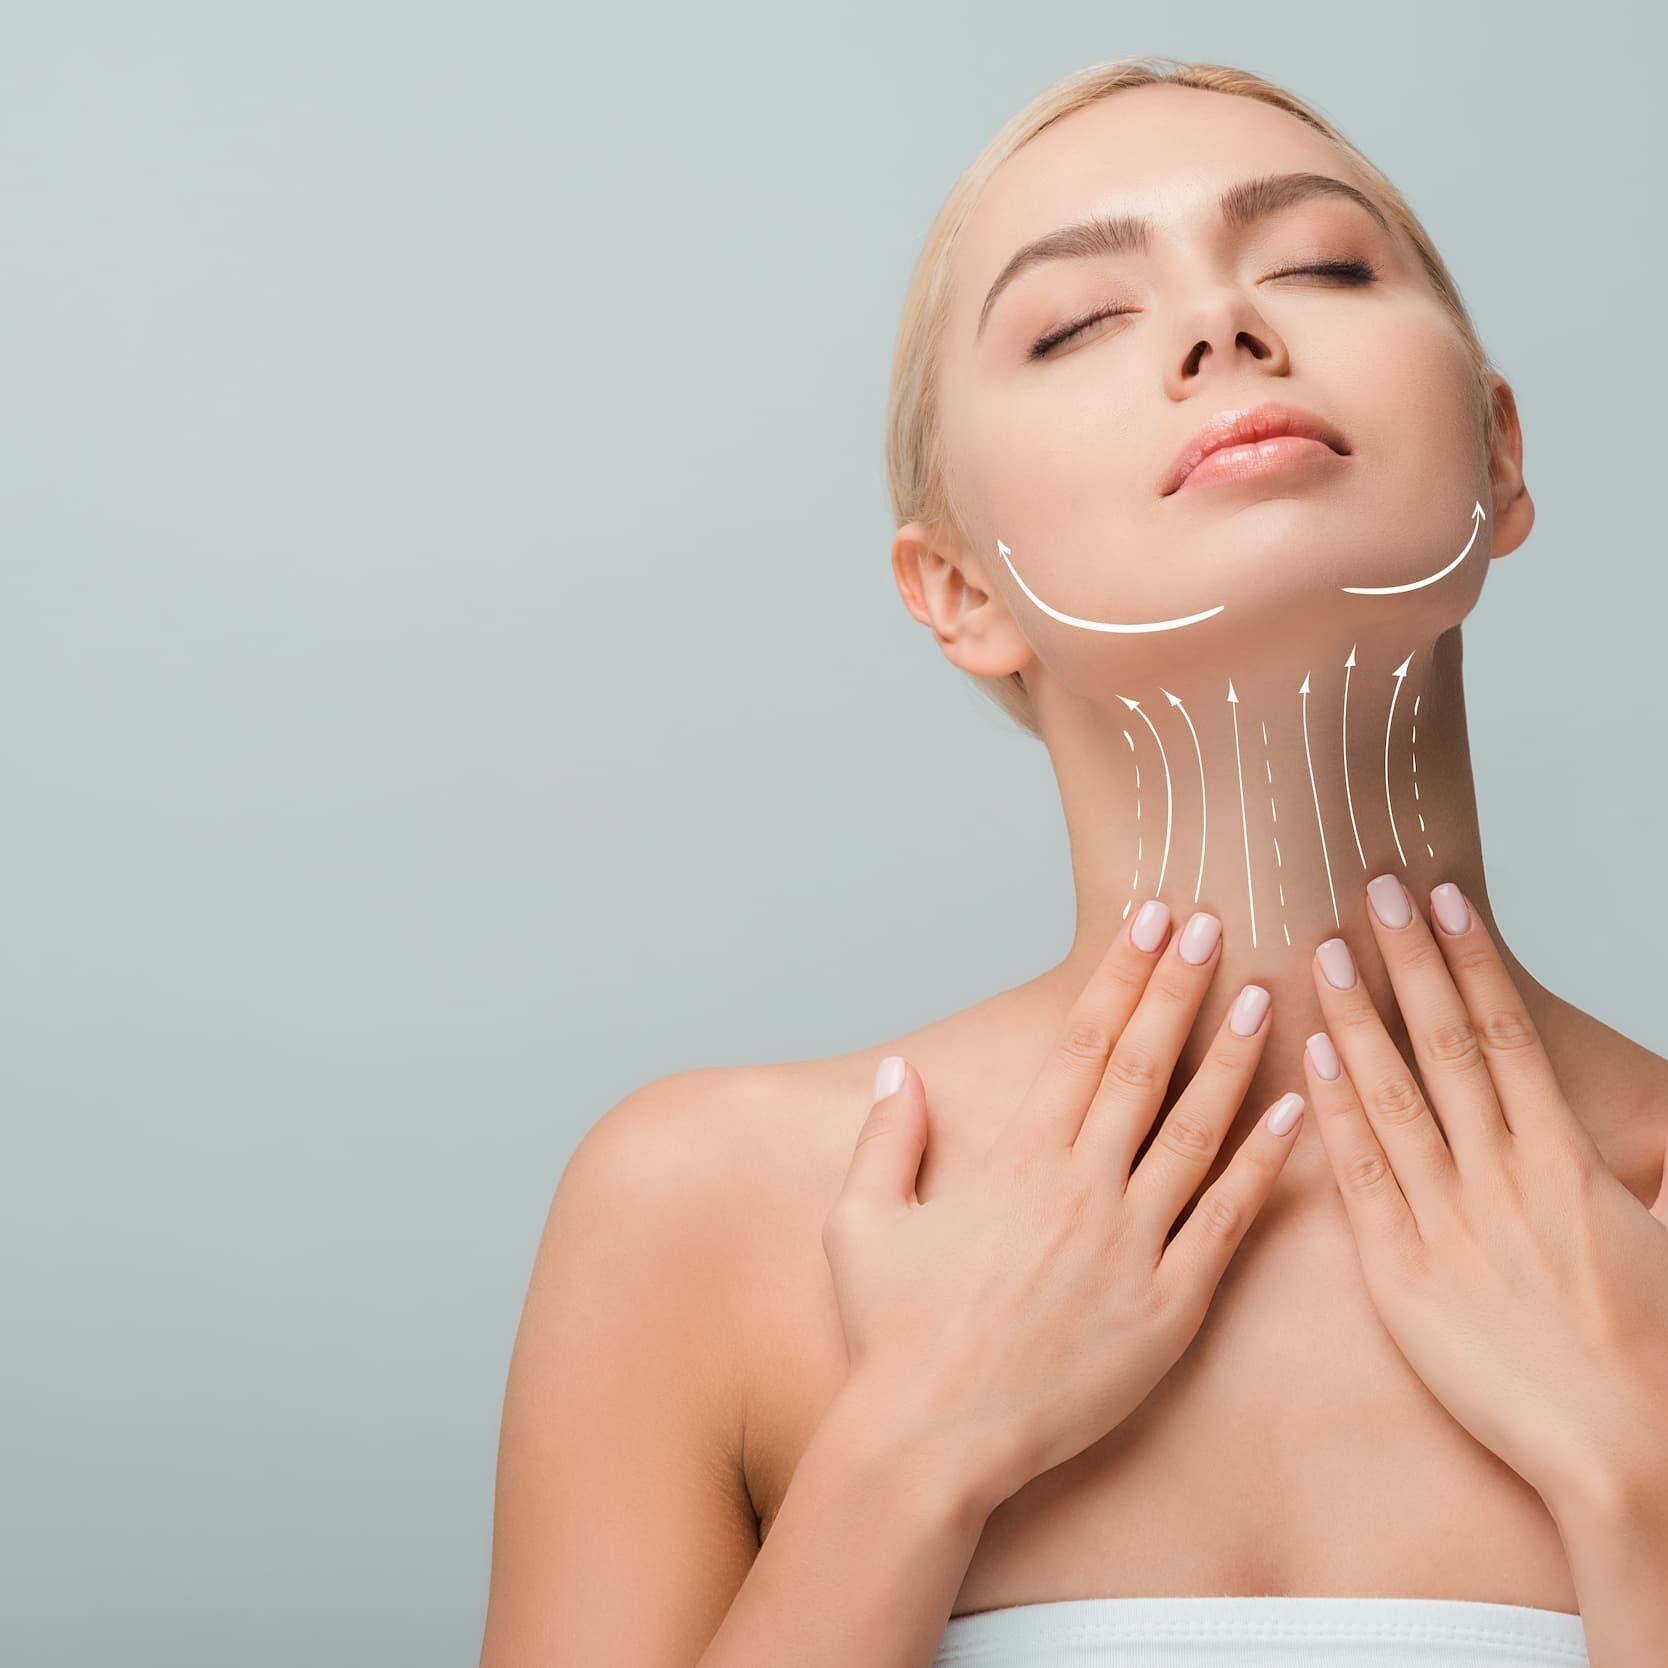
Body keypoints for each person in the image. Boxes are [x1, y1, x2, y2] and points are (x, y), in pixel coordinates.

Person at [478, 55, 1668, 1667]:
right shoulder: (711, 1216)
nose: (1225, 330)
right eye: (1075, 324)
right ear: (958, 588)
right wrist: (912, 1458)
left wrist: (1645, 1478)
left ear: (1500, 455)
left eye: (1320, 262)